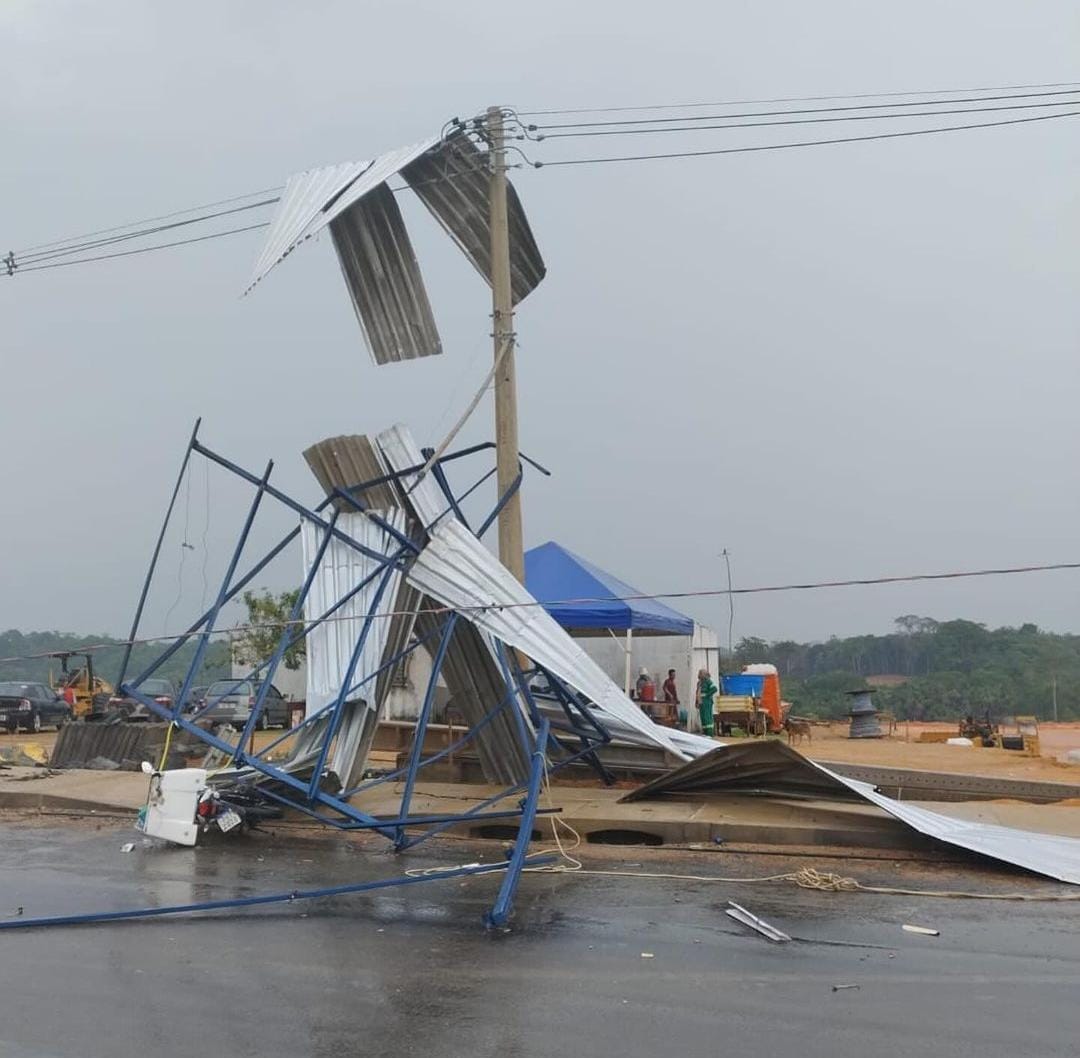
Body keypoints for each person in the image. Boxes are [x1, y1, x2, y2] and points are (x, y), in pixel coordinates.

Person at [696, 669, 718, 736]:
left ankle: (709, 734)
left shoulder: (708, 681)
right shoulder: (699, 683)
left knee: (707, 717)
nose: (699, 674)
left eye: (701, 673)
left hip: (707, 701)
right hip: (701, 702)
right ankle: (705, 732)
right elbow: (697, 693)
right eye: (699, 673)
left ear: (705, 674)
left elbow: (714, 689)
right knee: (703, 717)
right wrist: (696, 702)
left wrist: (707, 695)